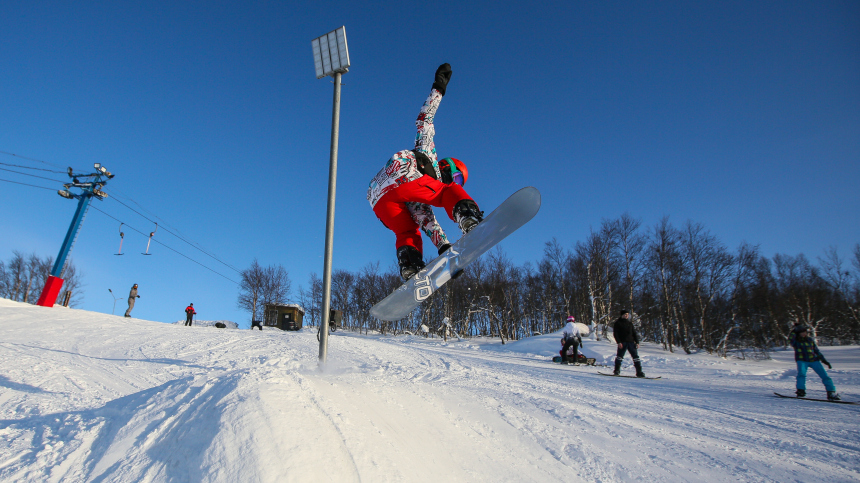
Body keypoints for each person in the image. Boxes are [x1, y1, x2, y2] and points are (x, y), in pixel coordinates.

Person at [367, 63, 484, 281]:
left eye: (459, 182)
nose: (456, 182)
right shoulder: (428, 153)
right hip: (404, 172)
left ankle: (410, 265)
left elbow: (428, 220)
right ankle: (467, 214)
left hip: (378, 197)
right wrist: (438, 89)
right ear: (448, 166)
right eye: (457, 177)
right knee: (445, 192)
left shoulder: (423, 194)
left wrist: (445, 249)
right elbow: (425, 119)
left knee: (407, 231)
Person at [789, 325, 839, 400]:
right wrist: (793, 331)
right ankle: (801, 391)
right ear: (798, 333)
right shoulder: (795, 342)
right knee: (801, 375)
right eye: (801, 332)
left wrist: (824, 360)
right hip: (802, 360)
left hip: (814, 360)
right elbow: (790, 339)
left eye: (804, 332)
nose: (803, 334)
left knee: (825, 376)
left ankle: (831, 392)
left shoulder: (809, 340)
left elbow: (816, 351)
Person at [613, 309, 645, 377]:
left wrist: (637, 342)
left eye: (627, 315)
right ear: (622, 315)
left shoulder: (630, 323)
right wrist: (618, 342)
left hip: (631, 342)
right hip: (622, 342)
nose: (626, 316)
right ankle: (617, 370)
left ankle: (639, 372)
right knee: (620, 356)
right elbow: (615, 334)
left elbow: (634, 333)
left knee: (636, 357)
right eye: (625, 315)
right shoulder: (618, 323)